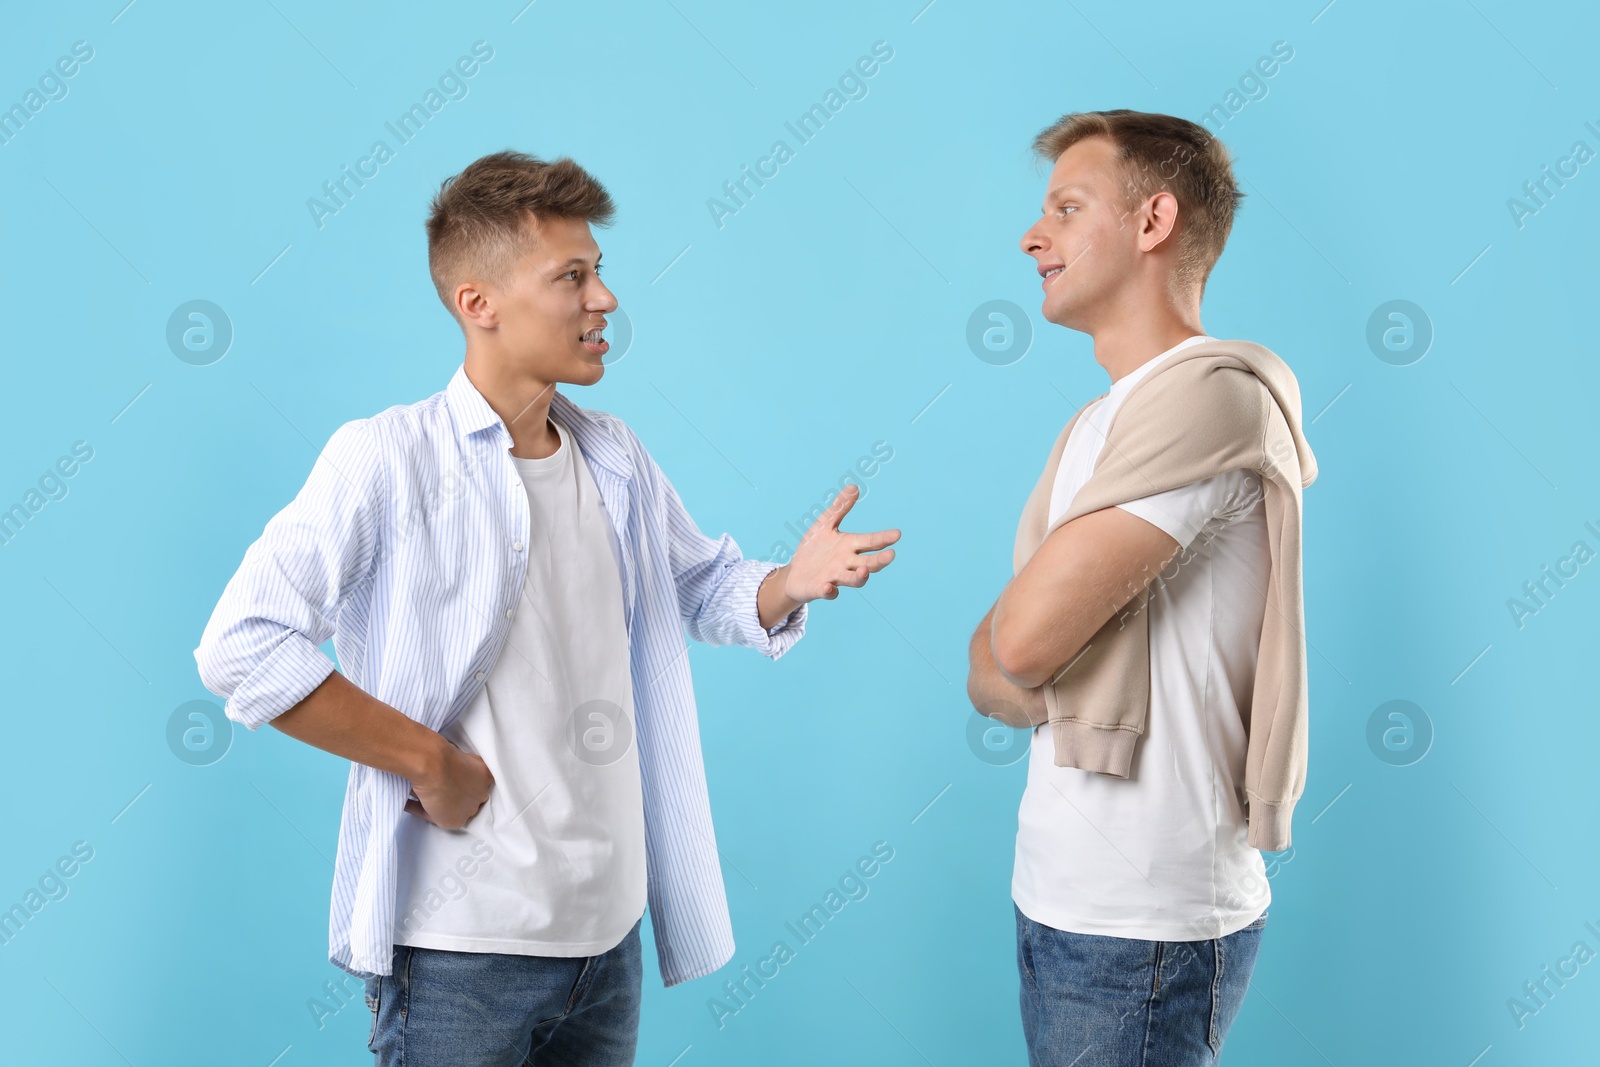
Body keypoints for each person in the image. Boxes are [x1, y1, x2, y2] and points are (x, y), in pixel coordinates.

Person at [192, 150, 900, 1066]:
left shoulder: (615, 457)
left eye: (599, 271)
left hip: (607, 944)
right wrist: (429, 760)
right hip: (460, 948)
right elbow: (241, 645)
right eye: (573, 276)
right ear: (478, 303)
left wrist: (787, 583)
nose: (604, 299)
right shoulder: (386, 458)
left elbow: (696, 586)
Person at [966, 110, 1318, 1066]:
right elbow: (987, 672)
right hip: (1059, 892)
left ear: (1154, 220)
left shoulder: (1207, 396)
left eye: (1067, 208)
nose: (1032, 237)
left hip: (1147, 915)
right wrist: (1018, 646)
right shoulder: (1098, 422)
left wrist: (1024, 646)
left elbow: (1023, 648)